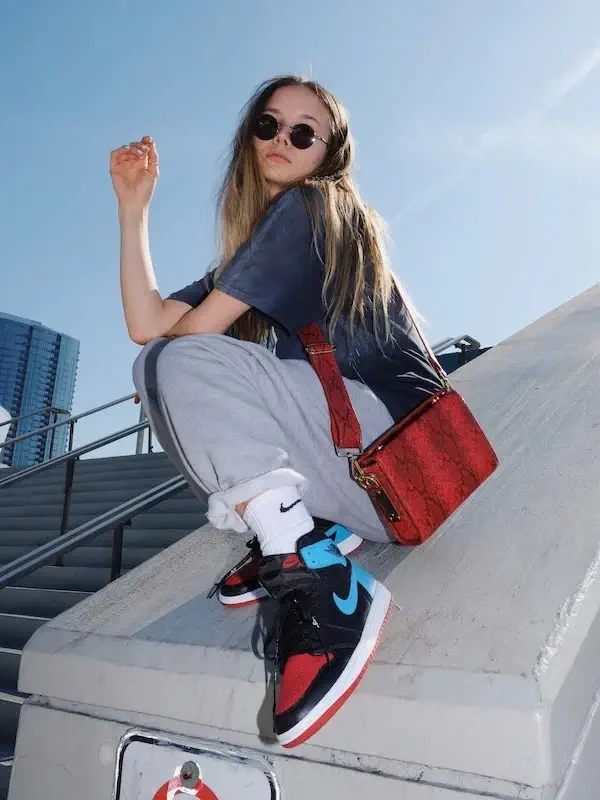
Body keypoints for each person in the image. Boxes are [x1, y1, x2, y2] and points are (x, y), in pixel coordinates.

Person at [110, 75, 445, 748]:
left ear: (328, 155)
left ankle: (323, 583)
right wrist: (134, 209)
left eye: (303, 133)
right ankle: (305, 527)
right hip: (378, 482)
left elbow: (190, 340)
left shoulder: (316, 209)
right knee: (158, 364)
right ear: (249, 138)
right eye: (269, 125)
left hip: (407, 452)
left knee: (180, 362)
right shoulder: (252, 251)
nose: (282, 141)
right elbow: (146, 324)